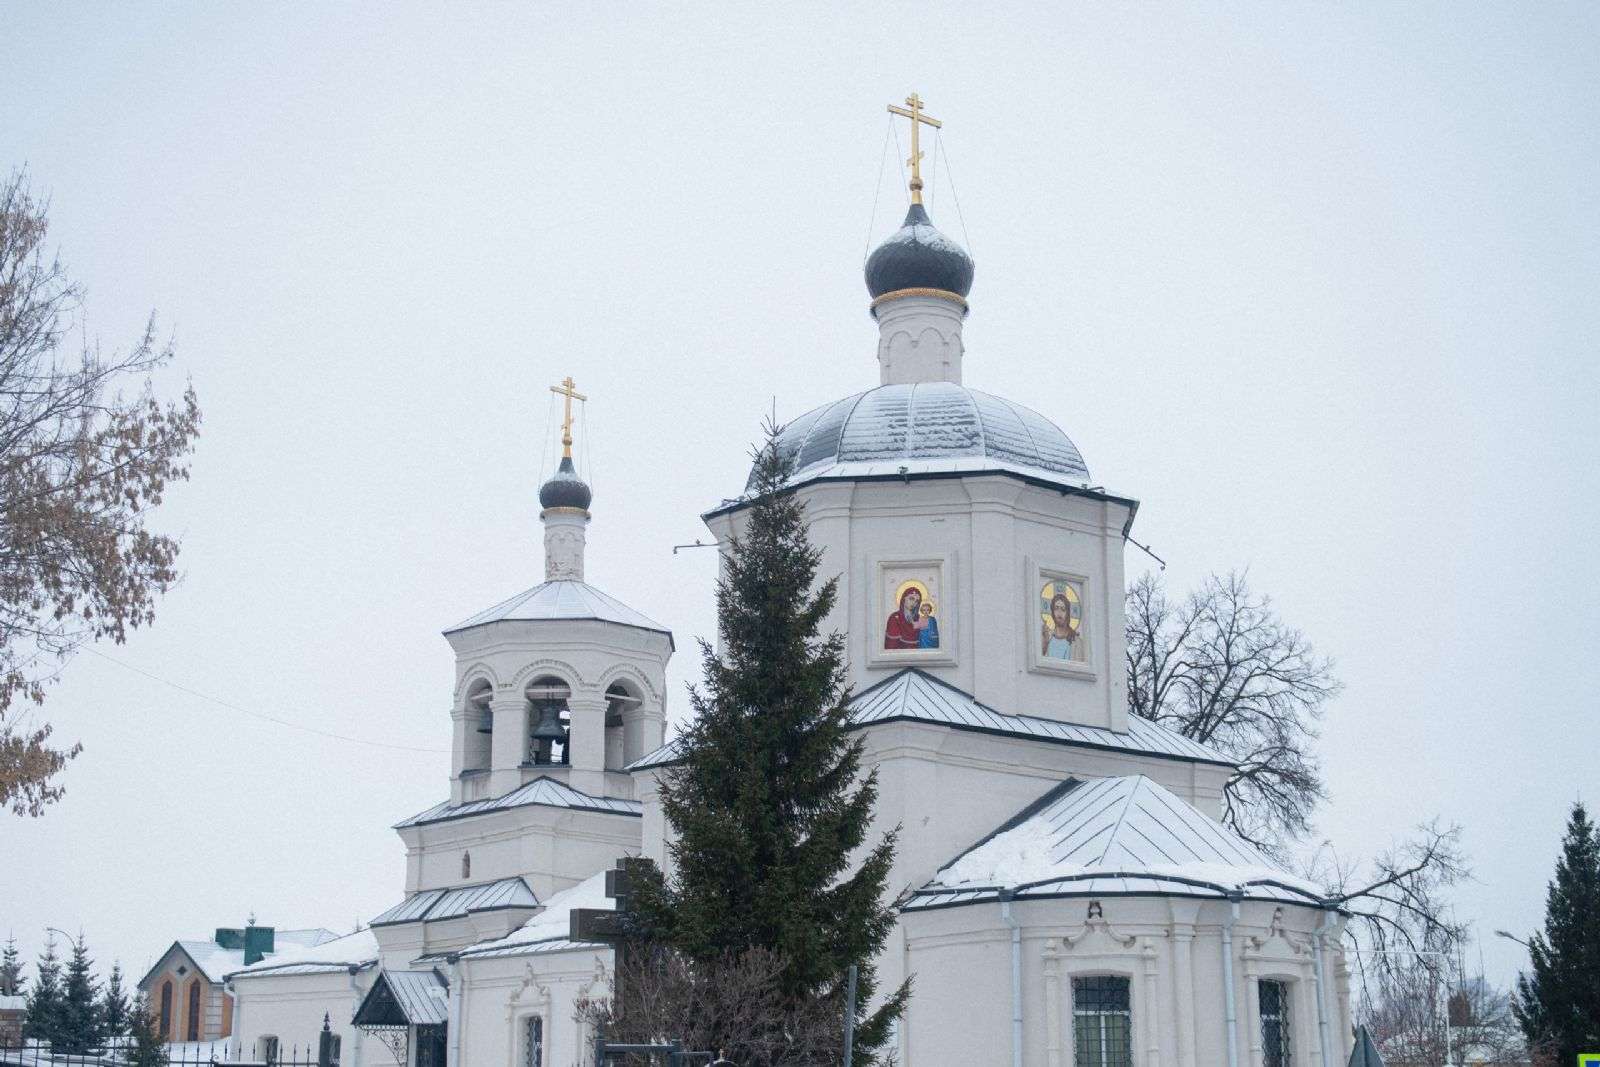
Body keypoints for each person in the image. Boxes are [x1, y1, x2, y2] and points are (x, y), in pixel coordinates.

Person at [884, 585, 938, 650]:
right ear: (904, 598)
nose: (914, 603)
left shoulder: (919, 618)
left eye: (917, 601)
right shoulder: (895, 618)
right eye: (911, 599)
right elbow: (891, 646)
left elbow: (929, 635)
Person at [1041, 590, 1079, 659]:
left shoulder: (1076, 641)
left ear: (1068, 613)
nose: (1059, 612)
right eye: (1056, 608)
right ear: (1052, 612)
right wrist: (1045, 643)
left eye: (1063, 609)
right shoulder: (1048, 639)